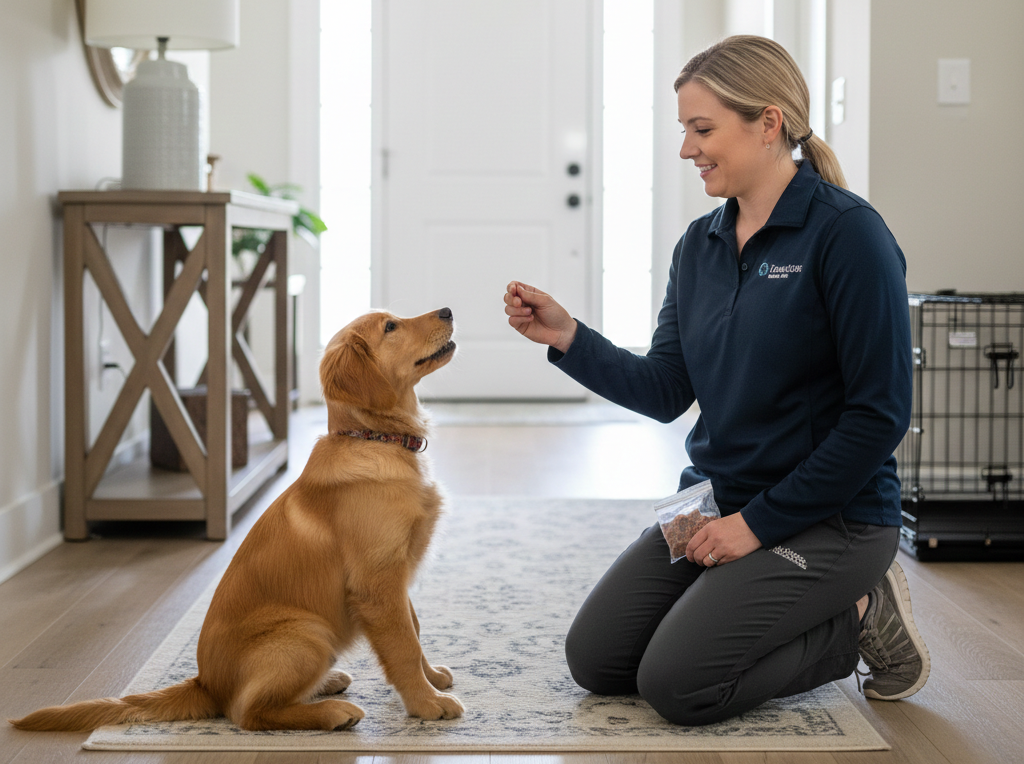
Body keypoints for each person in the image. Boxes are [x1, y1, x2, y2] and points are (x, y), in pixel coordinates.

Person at [502, 34, 929, 726]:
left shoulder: (849, 236)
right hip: (718, 499)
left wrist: (755, 527)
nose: (686, 149)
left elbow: (878, 419)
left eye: (702, 129)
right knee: (600, 660)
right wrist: (569, 338)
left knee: (678, 684)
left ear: (769, 123)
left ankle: (859, 613)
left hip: (833, 519)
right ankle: (774, 595)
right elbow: (668, 387)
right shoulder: (698, 245)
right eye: (684, 130)